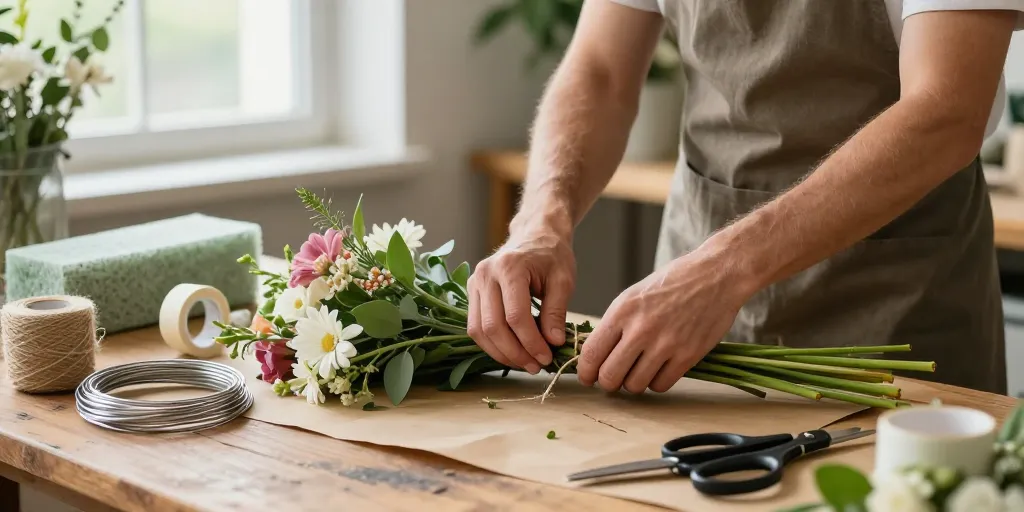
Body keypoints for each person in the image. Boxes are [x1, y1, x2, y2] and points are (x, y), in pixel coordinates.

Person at [466, 0, 1024, 395]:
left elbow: (946, 111)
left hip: (893, 307)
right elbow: (600, 72)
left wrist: (721, 270)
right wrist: (540, 222)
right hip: (687, 300)